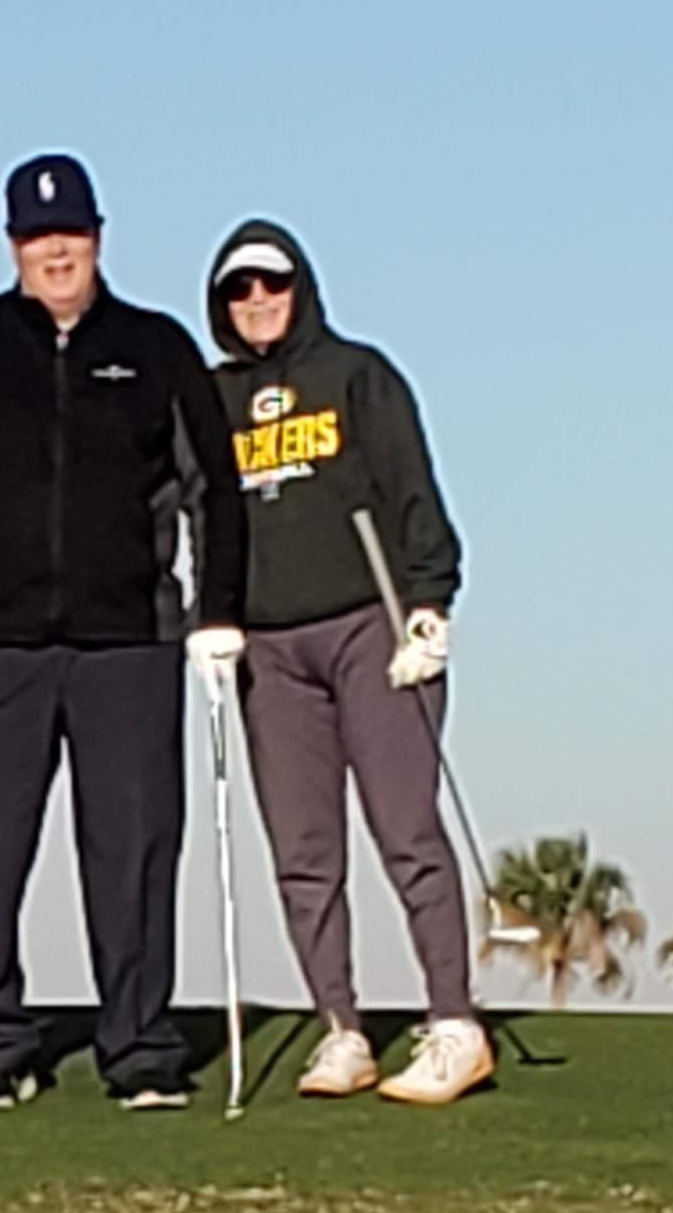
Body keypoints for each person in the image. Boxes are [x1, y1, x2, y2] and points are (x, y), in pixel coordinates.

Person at [0, 154, 247, 1107]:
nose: (57, 253)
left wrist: (215, 610)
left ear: (99, 237)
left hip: (129, 643)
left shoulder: (155, 347)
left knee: (134, 853)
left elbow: (212, 488)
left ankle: (140, 1048)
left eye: (73, 235)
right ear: (13, 244)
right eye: (38, 237)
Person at [204, 217, 492, 1105]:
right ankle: (342, 1029)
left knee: (406, 829)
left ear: (301, 287)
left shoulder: (358, 375)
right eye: (239, 290)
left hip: (373, 625)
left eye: (272, 284)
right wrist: (205, 617)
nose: (258, 301)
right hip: (270, 649)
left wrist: (431, 602)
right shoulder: (212, 398)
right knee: (303, 850)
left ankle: (455, 1025)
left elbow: (413, 490)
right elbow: (192, 512)